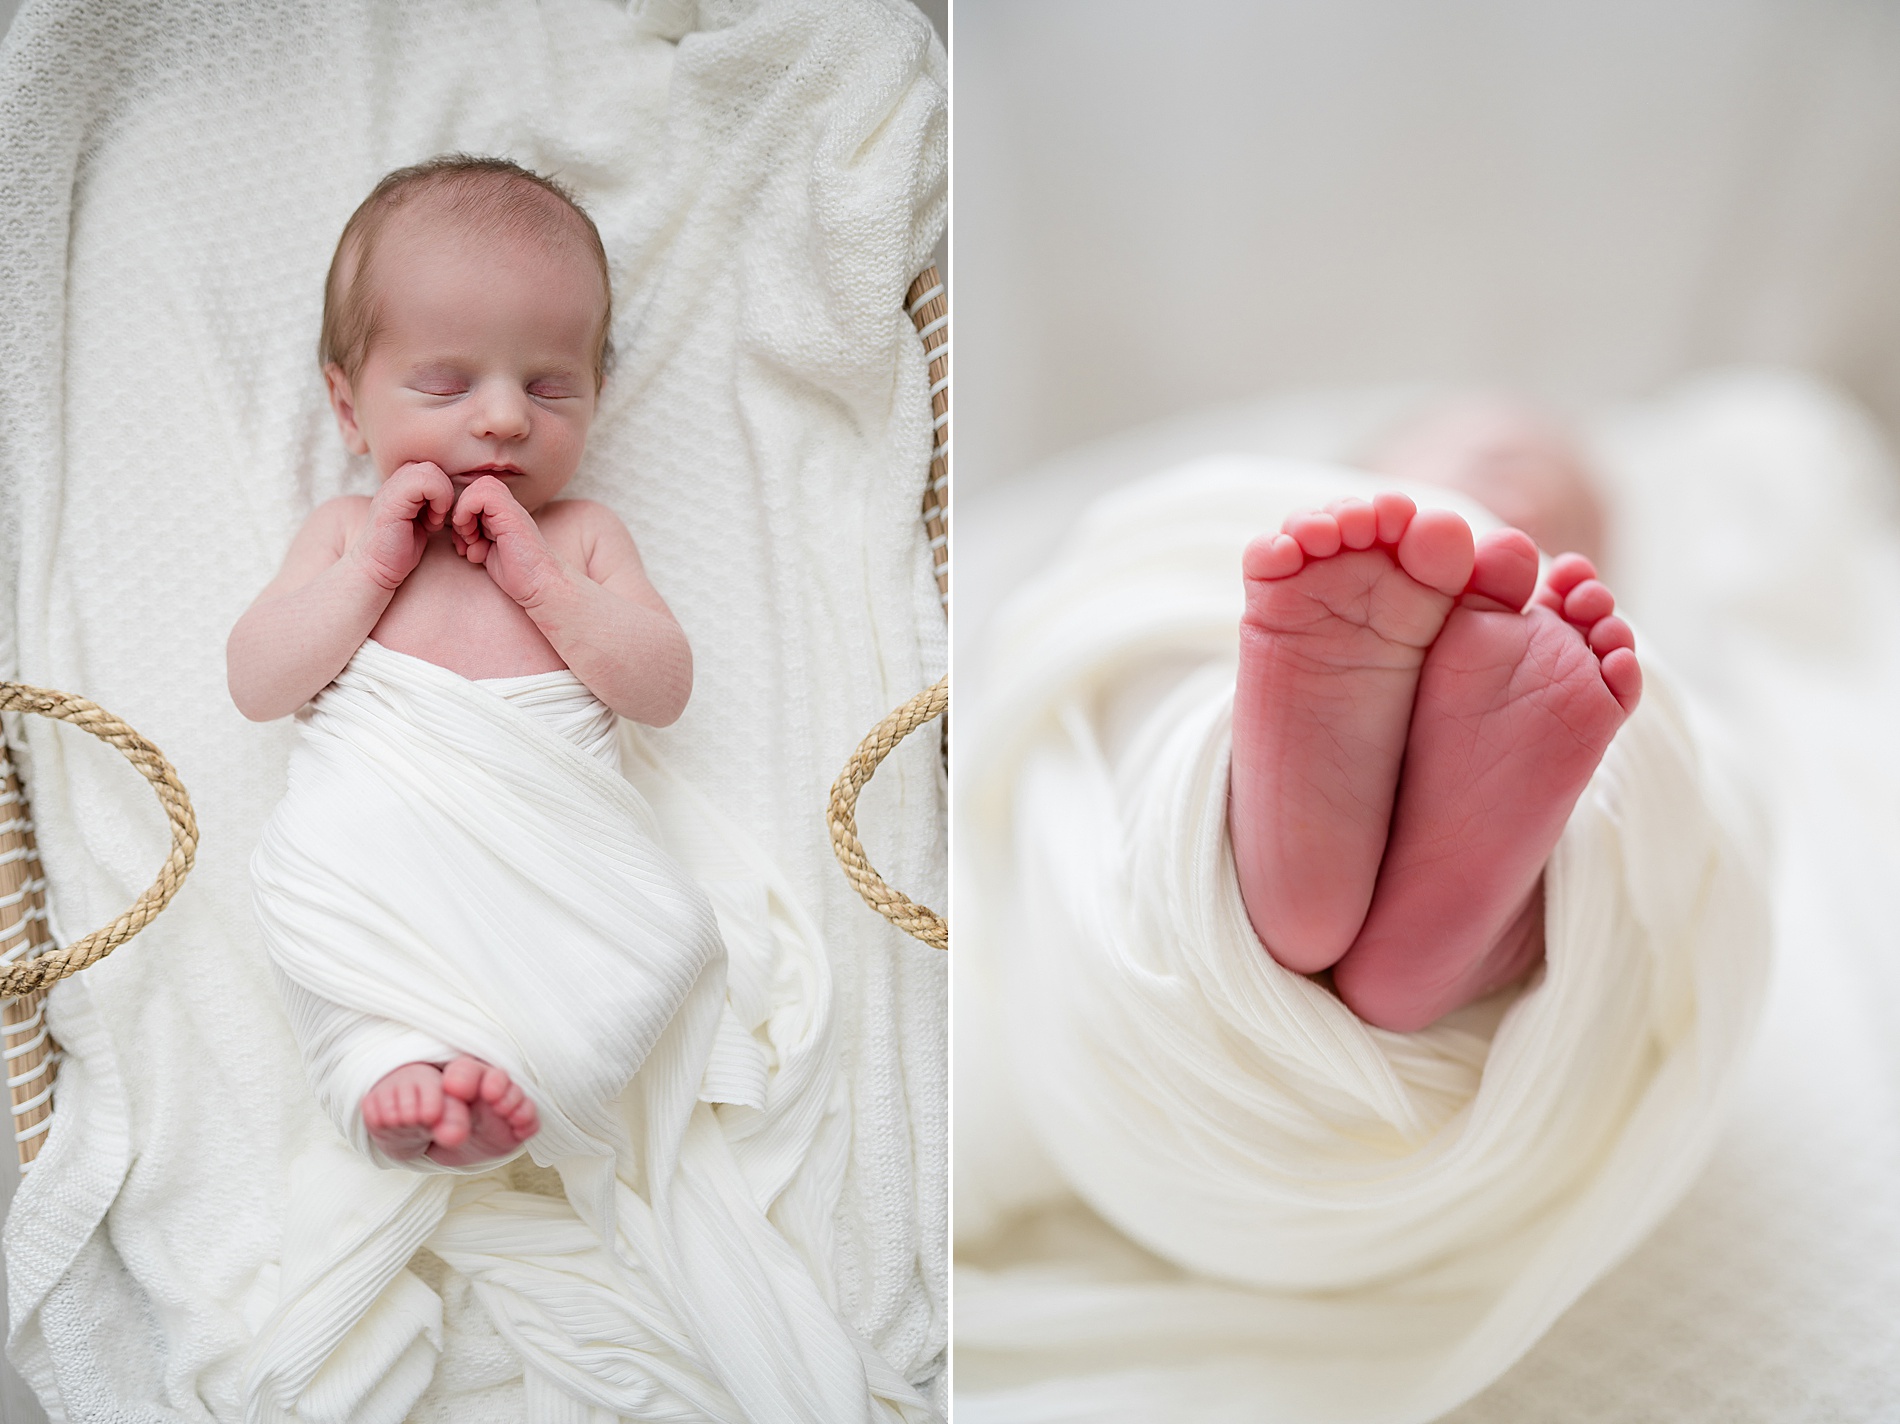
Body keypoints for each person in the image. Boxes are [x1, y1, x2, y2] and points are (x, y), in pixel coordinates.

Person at [227, 154, 695, 1167]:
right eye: (445, 381)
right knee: (319, 890)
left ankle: (538, 1073)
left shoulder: (580, 534)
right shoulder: (347, 529)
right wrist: (370, 573)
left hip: (549, 842)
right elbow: (258, 683)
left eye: (550, 386)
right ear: (348, 407)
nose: (503, 416)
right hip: (377, 830)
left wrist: (546, 587)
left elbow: (661, 689)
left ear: (597, 394)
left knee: (659, 942)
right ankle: (383, 1066)